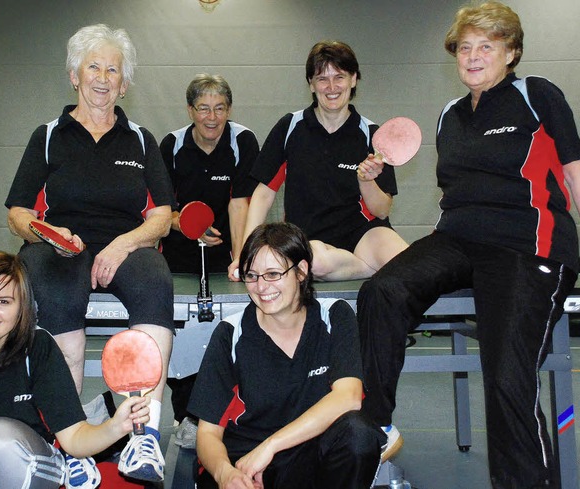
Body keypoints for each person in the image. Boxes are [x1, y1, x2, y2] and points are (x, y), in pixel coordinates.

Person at [357, 2, 580, 487]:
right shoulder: (450, 114)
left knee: (506, 377)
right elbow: (452, 191)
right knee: (382, 291)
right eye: (464, 47)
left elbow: (573, 174)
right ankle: (376, 428)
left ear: (511, 52)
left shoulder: (536, 95)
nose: (473, 56)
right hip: (457, 238)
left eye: (487, 46)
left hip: (528, 244)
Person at [4, 24, 175, 486]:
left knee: (156, 282)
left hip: (125, 245)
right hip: (60, 247)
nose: (103, 76)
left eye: (113, 69)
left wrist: (126, 242)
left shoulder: (140, 139)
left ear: (124, 83)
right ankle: (69, 442)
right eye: (93, 66)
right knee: (61, 314)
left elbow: (163, 215)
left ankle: (144, 436)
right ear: (74, 75)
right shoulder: (47, 136)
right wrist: (46, 234)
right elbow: (17, 212)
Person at [189, 222, 386, 489]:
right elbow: (208, 433)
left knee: (359, 435)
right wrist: (226, 474)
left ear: (301, 271)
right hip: (244, 462)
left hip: (304, 457)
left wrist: (271, 446)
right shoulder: (230, 334)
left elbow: (348, 398)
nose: (261, 287)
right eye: (251, 275)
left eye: (273, 274)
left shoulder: (335, 316)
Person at [0, 251, 151, 489]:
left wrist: (115, 427)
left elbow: (74, 438)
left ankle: (69, 464)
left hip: (30, 465)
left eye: (3, 301)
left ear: (22, 309)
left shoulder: (38, 347)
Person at [229, 40, 408, 282]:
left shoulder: (371, 134)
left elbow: (382, 210)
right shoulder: (290, 127)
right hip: (308, 240)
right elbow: (263, 195)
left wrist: (367, 180)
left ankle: (365, 263)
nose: (331, 86)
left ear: (354, 79)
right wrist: (245, 255)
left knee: (409, 264)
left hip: (365, 234)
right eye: (322, 78)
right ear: (311, 84)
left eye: (340, 77)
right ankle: (368, 267)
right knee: (315, 264)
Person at [159, 73, 259, 448]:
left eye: (220, 108)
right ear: (190, 111)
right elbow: (159, 210)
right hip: (178, 258)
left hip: (226, 259)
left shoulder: (243, 141)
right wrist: (184, 224)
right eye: (203, 108)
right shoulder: (170, 145)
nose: (212, 117)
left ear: (229, 110)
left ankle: (224, 413)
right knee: (179, 339)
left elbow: (241, 203)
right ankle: (188, 415)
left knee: (228, 336)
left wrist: (240, 259)